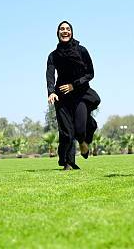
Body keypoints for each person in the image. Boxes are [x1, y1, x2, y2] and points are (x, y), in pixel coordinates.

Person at [46, 21, 100, 171]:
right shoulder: (53, 55)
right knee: (66, 131)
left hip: (80, 94)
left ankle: (84, 141)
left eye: (67, 29)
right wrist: (51, 91)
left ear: (72, 32)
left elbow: (91, 73)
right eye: (62, 29)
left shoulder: (82, 51)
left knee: (80, 128)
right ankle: (68, 162)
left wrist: (73, 85)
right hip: (61, 97)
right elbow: (50, 74)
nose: (65, 31)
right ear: (57, 33)